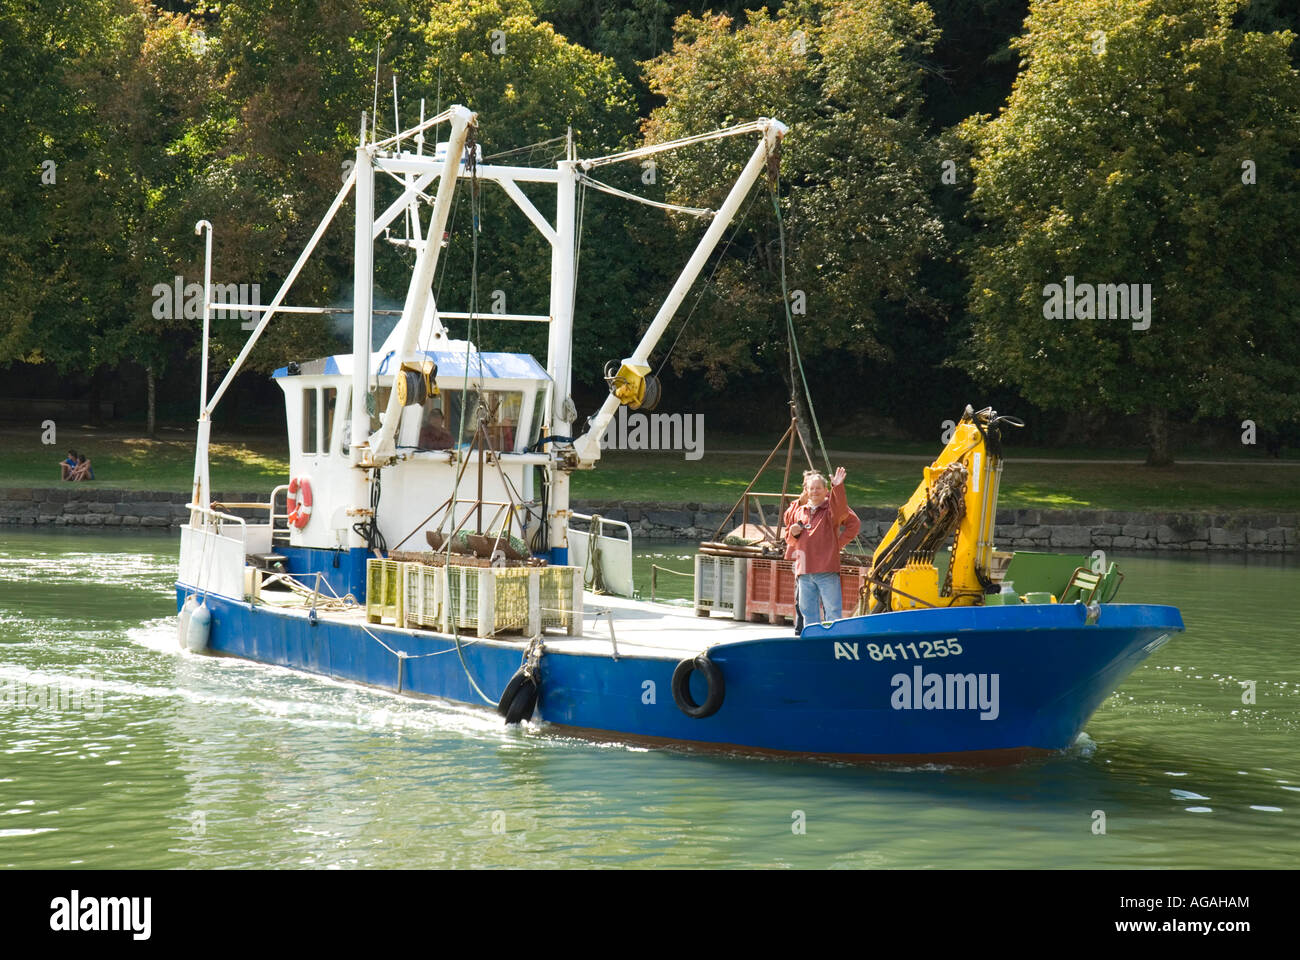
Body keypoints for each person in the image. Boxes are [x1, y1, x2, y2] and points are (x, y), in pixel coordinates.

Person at [783, 466, 860, 630]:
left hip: (826, 571)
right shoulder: (799, 511)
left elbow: (841, 510)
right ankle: (812, 642)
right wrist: (793, 532)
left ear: (826, 490)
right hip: (804, 571)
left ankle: (832, 641)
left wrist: (838, 487)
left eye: (818, 488)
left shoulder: (830, 511)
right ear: (806, 491)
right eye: (811, 488)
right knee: (807, 612)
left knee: (832, 611)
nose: (814, 491)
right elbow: (789, 540)